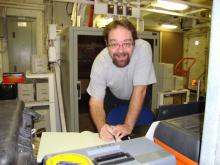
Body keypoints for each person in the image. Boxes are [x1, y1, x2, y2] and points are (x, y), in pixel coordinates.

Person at [87, 19, 156, 141]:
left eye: (127, 43)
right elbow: (95, 102)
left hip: (139, 91)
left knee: (142, 132)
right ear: (106, 44)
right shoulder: (100, 63)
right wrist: (102, 127)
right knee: (110, 133)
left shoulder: (143, 48)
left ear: (134, 43)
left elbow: (139, 90)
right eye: (114, 44)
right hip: (114, 95)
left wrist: (128, 125)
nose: (120, 51)